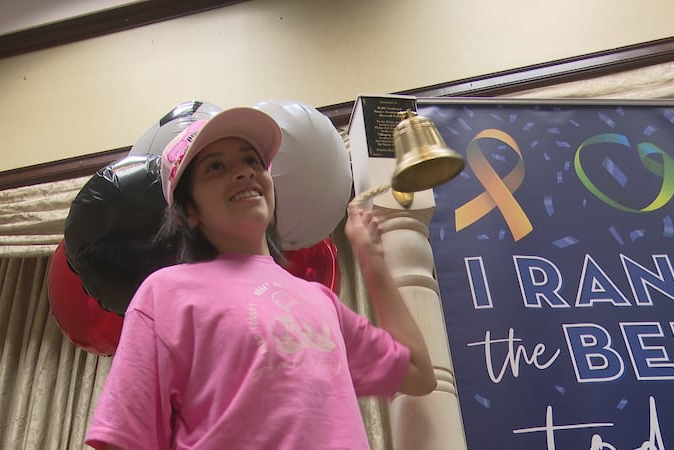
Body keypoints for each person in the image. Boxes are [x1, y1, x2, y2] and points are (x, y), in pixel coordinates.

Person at [85, 107, 437, 450]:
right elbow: (122, 438)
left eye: (252, 160)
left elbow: (419, 373)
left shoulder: (320, 300)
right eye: (216, 166)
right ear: (189, 211)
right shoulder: (164, 294)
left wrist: (372, 262)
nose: (243, 173)